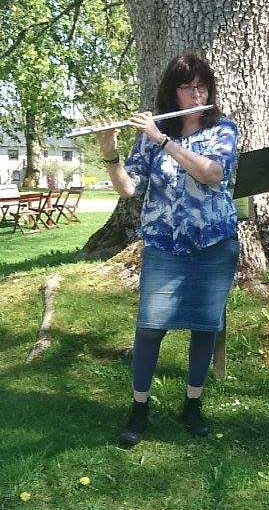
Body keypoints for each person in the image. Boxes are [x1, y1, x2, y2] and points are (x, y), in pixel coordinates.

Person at [96, 53, 239, 448]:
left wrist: (164, 141)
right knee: (150, 326)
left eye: (202, 86)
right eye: (187, 87)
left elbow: (212, 173)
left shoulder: (222, 129)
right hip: (163, 242)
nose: (196, 95)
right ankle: (139, 408)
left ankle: (193, 404)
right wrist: (110, 153)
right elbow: (128, 188)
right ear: (171, 92)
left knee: (205, 325)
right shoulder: (152, 133)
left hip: (213, 243)